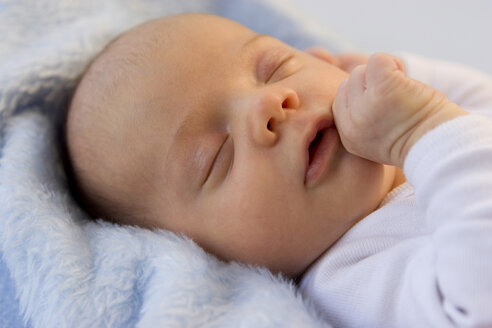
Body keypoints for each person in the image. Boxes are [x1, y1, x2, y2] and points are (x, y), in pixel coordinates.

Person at [64, 13, 492, 327]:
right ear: (203, 254)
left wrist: (392, 80)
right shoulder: (349, 277)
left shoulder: (429, 128)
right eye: (220, 156)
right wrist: (422, 129)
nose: (269, 104)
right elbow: (476, 307)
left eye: (274, 68)